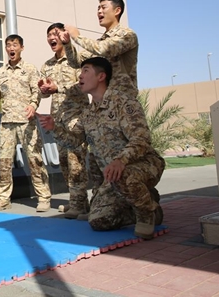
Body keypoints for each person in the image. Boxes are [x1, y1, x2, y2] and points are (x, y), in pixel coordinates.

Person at [42, 57, 164, 239]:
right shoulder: (88, 114)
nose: (80, 76)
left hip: (143, 165)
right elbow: (75, 141)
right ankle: (143, 201)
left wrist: (120, 161)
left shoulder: (123, 102)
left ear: (101, 76)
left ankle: (147, 213)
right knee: (98, 221)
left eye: (85, 71)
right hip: (112, 177)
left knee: (124, 175)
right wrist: (55, 129)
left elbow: (141, 139)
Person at [0, 34, 52, 212]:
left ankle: (44, 197)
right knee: (5, 162)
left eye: (14, 45)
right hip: (7, 122)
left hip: (26, 121)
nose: (11, 48)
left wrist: (33, 105)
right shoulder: (1, 72)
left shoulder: (30, 69)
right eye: (8, 45)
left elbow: (36, 91)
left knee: (35, 159)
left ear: (21, 48)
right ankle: (3, 199)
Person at [38, 23, 90, 219]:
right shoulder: (47, 65)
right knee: (64, 163)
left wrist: (57, 87)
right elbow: (45, 93)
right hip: (58, 120)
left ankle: (78, 203)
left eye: (55, 34)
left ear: (63, 36)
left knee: (75, 161)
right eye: (49, 35)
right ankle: (78, 201)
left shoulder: (76, 60)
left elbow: (83, 86)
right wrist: (43, 90)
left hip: (77, 118)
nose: (52, 38)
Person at [63, 0, 139, 99]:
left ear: (117, 11)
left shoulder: (127, 35)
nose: (99, 11)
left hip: (121, 102)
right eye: (98, 8)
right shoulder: (100, 42)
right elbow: (76, 62)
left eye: (103, 7)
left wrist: (77, 37)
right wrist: (67, 44)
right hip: (102, 102)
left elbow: (105, 49)